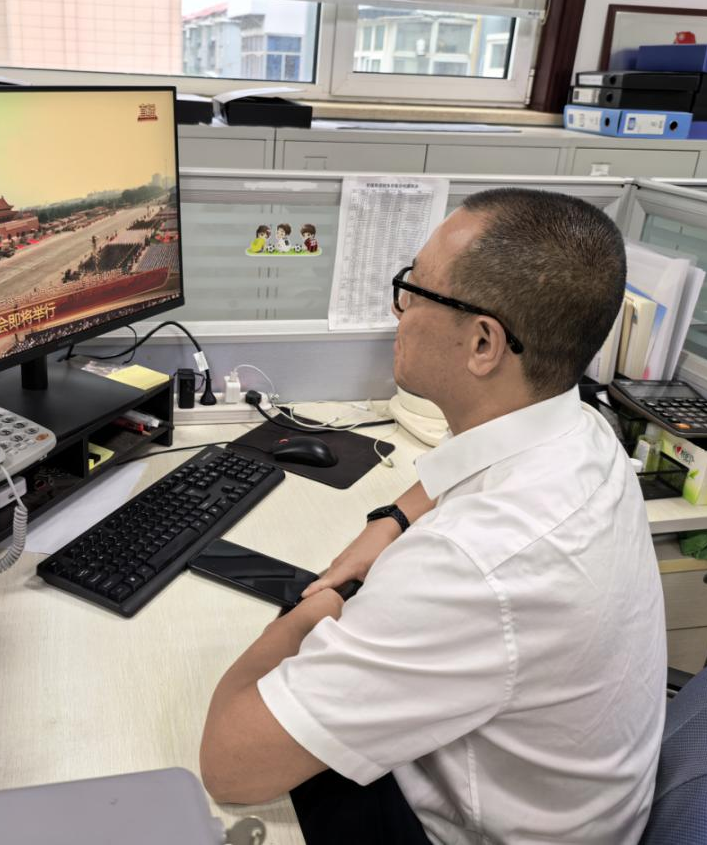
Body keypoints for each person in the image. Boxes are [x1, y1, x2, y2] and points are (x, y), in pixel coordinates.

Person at [199, 188, 667, 844]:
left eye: (413, 289)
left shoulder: (472, 564)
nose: (399, 310)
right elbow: (463, 470)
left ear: (483, 343)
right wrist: (390, 520)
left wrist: (313, 610)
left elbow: (229, 767)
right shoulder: (582, 430)